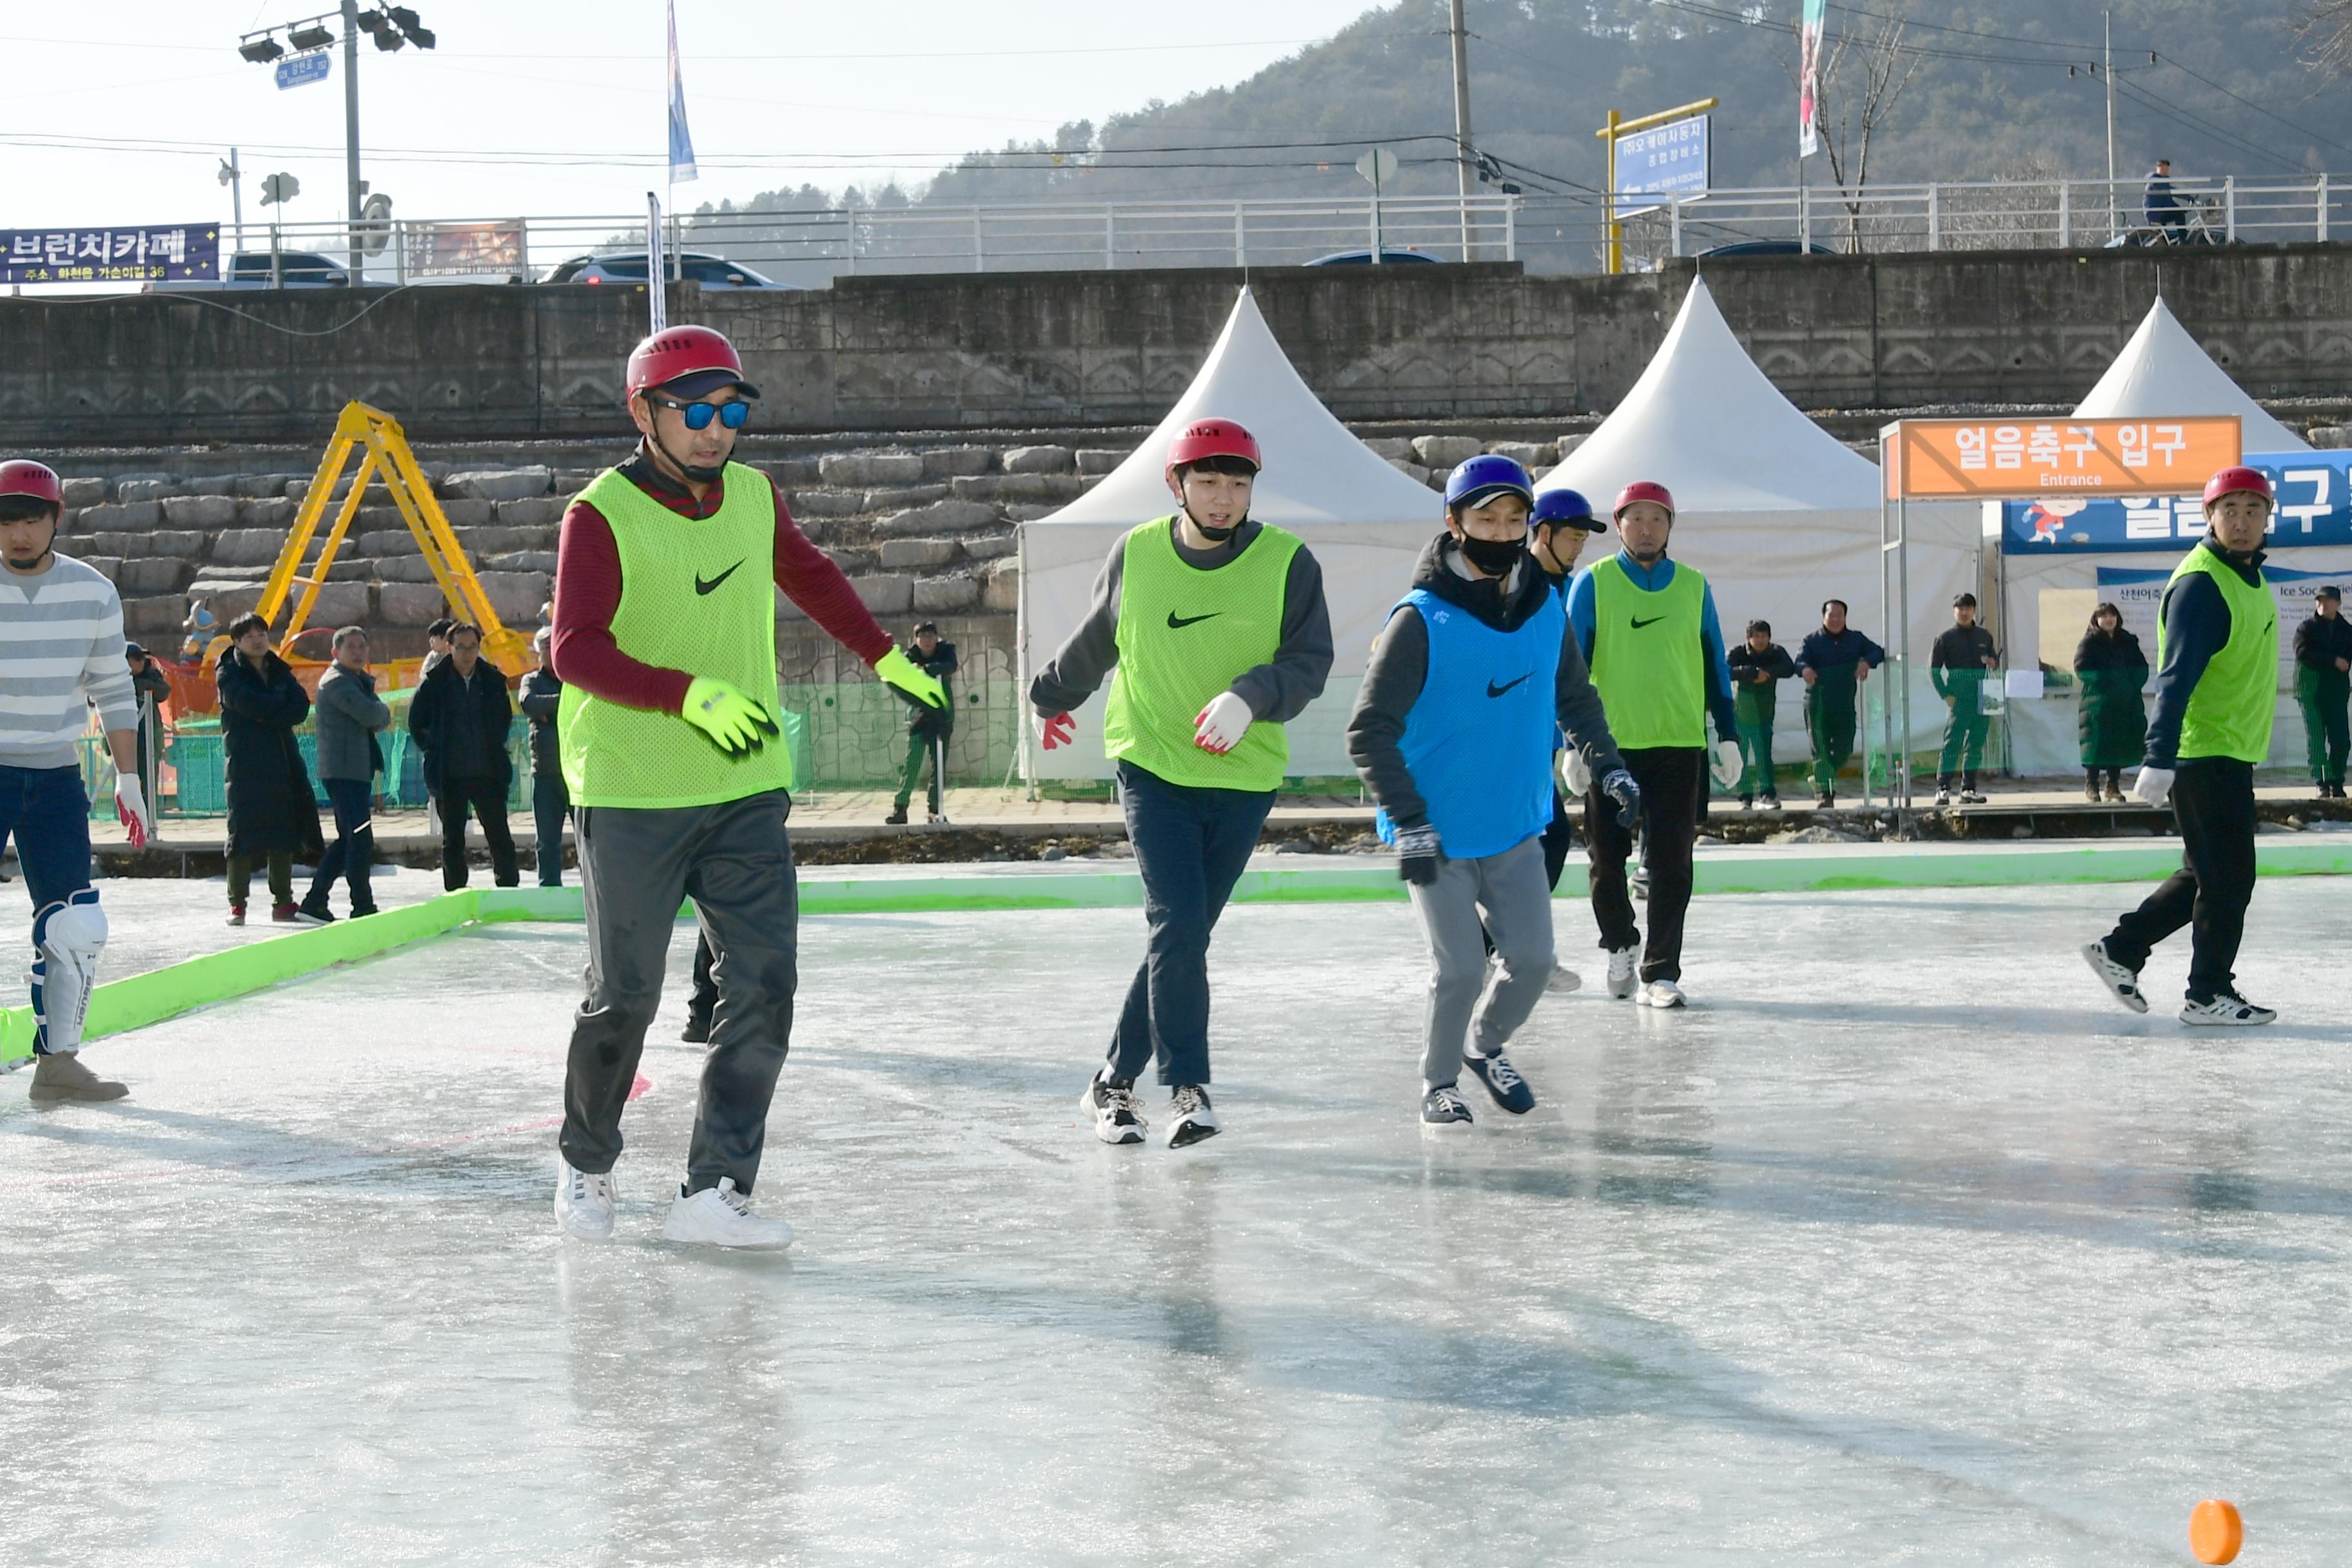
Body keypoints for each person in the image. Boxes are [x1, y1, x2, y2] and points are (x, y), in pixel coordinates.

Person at [551, 324, 946, 1249]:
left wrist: (884, 656)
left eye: (732, 411)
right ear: (643, 412)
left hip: (745, 783)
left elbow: (808, 573)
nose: (717, 429)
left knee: (764, 985)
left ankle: (715, 1189)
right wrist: (685, 695)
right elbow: (574, 650)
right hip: (633, 787)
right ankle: (585, 1164)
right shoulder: (598, 514)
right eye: (696, 410)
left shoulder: (755, 496)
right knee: (627, 996)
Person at [1032, 417, 1333, 1147]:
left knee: (1186, 935)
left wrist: (1250, 695)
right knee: (1177, 925)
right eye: (1208, 481)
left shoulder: (1290, 561)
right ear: (1178, 485)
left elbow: (1309, 661)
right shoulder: (1135, 552)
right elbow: (1099, 638)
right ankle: (1190, 1088)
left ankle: (1111, 1081)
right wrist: (1050, 698)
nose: (1224, 497)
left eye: (1238, 483)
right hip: (1153, 763)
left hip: (1245, 774)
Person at [1349, 456, 1638, 1130]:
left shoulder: (1544, 608)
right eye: (1486, 518)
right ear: (1454, 524)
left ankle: (1483, 1045)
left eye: (1514, 519)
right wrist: (1409, 817)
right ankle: (1439, 1081)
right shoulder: (1419, 621)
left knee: (1534, 962)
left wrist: (1611, 765)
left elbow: (1576, 698)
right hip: (1437, 830)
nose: (1501, 530)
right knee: (1459, 971)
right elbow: (1368, 731)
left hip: (1514, 823)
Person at [2084, 467, 2280, 1026]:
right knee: (2229, 880)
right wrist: (2159, 755)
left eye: (2253, 510)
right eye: (2230, 511)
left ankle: (2120, 950)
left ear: (2268, 516)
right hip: (2204, 753)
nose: (2241, 522)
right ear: (2209, 517)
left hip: (2230, 750)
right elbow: (2176, 677)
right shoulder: (2203, 585)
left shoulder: (2247, 576)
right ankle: (2206, 994)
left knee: (2206, 873)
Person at [1565, 480, 1743, 1008]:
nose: (1646, 528)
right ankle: (1619, 942)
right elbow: (1569, 671)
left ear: (1670, 526)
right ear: (1619, 524)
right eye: (1635, 518)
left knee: (1673, 864)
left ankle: (1660, 972)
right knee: (1606, 862)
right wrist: (1568, 744)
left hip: (1679, 743)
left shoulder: (1693, 585)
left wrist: (1727, 734)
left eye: (1657, 519)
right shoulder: (1592, 584)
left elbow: (1715, 663)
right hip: (1609, 748)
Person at [0, 458, 145, 1103]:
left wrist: (131, 777)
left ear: (56, 518)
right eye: (6, 520)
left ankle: (56, 1062)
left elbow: (113, 687)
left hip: (55, 774)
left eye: (31, 517)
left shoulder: (92, 591)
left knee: (75, 925)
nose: (18, 533)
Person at [215, 612, 324, 926]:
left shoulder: (278, 670)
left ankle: (283, 902)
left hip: (282, 761)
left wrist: (271, 710)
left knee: (283, 834)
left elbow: (300, 706)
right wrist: (277, 708)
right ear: (236, 642)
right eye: (249, 635)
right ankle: (237, 903)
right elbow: (246, 704)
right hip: (245, 764)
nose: (258, 640)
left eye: (261, 633)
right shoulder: (228, 672)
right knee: (241, 835)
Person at [408, 622, 520, 891]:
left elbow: (504, 720)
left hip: (488, 772)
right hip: (450, 775)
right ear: (449, 648)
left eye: (473, 647)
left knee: (499, 835)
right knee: (453, 839)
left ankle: (508, 888)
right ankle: (456, 891)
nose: (468, 653)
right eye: (461, 648)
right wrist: (434, 749)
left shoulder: (492, 681)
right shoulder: (434, 683)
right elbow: (416, 723)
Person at [297, 625, 389, 923]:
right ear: (336, 653)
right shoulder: (338, 682)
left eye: (362, 646)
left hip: (354, 770)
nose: (358, 652)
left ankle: (316, 900)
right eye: (351, 647)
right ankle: (361, 904)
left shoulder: (355, 681)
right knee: (359, 839)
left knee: (351, 838)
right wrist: (379, 710)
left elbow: (375, 716)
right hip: (345, 771)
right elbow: (372, 715)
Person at [1796, 600, 1883, 808]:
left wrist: (1866, 663)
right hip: (1817, 704)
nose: (1835, 619)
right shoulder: (1812, 641)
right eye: (1831, 615)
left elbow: (1878, 651)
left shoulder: (1855, 639)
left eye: (1840, 615)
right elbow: (1799, 662)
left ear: (1845, 617)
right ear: (1823, 617)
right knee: (1821, 750)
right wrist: (1805, 670)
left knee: (1845, 748)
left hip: (1844, 703)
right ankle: (1825, 796)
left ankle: (1821, 776)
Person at [2075, 602, 2149, 802]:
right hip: (2096, 705)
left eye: (2112, 616)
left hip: (2124, 704)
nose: (2109, 620)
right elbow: (2082, 669)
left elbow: (2141, 667)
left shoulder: (2128, 641)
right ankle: (2091, 786)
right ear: (2096, 620)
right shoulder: (2089, 643)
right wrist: (2106, 685)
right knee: (2095, 744)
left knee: (2118, 745)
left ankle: (2113, 787)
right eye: (2104, 616)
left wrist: (2130, 687)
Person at [885, 620, 958, 826]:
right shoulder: (910, 657)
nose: (927, 641)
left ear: (936, 638)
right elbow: (901, 678)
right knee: (912, 762)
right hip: (920, 714)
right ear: (916, 640)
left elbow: (950, 667)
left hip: (942, 714)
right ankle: (901, 808)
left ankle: (935, 810)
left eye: (930, 636)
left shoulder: (946, 651)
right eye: (922, 637)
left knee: (939, 765)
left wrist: (926, 669)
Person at [1930, 592, 1999, 806]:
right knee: (1952, 743)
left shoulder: (1984, 636)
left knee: (1976, 743)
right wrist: (1945, 695)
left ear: (1974, 611)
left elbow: (1994, 658)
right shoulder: (1945, 638)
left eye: (1968, 608)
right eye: (1960, 608)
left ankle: (1968, 788)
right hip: (1959, 698)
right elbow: (1933, 670)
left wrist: (1992, 661)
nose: (1964, 612)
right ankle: (1943, 788)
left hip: (1985, 695)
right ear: (1954, 611)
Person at [1726, 619, 1796, 810]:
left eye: (1764, 636)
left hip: (1764, 711)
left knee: (1764, 754)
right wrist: (1751, 673)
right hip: (1740, 712)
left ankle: (1767, 795)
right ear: (1749, 638)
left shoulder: (1776, 652)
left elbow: (1789, 668)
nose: (1760, 640)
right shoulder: (1737, 652)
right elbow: (1725, 671)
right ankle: (1744, 797)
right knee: (1741, 756)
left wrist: (1767, 673)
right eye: (1756, 636)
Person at [518, 626, 569, 885]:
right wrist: (564, 703)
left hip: (577, 771)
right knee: (547, 840)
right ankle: (549, 889)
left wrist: (549, 709)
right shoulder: (531, 681)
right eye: (545, 647)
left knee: (589, 838)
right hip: (547, 771)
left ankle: (596, 893)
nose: (550, 651)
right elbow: (529, 703)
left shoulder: (575, 677)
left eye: (554, 644)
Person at [2291, 584, 2352, 799]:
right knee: (2316, 739)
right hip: (2311, 692)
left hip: (2336, 693)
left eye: (2327, 601)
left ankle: (2336, 782)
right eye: (2319, 600)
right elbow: (2302, 653)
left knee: (2341, 740)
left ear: (2338, 603)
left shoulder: (2346, 630)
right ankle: (2322, 783)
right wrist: (2333, 660)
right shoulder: (2307, 628)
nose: (2322, 604)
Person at [123, 641, 173, 801]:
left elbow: (163, 692)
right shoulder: (115, 679)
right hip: (125, 737)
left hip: (150, 734)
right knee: (126, 777)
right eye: (135, 658)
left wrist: (142, 685)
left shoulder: (151, 674)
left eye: (141, 658)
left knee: (150, 777)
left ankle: (150, 811)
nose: (140, 662)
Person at [2145, 159, 2186, 241]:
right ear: (2157, 168)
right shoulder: (2155, 181)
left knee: (2162, 239)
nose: (2165, 171)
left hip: (2159, 212)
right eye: (2163, 169)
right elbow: (2170, 191)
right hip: (2156, 214)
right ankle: (2183, 241)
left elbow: (2168, 201)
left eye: (2167, 169)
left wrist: (2179, 207)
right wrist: (2188, 198)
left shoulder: (2162, 181)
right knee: (2180, 215)